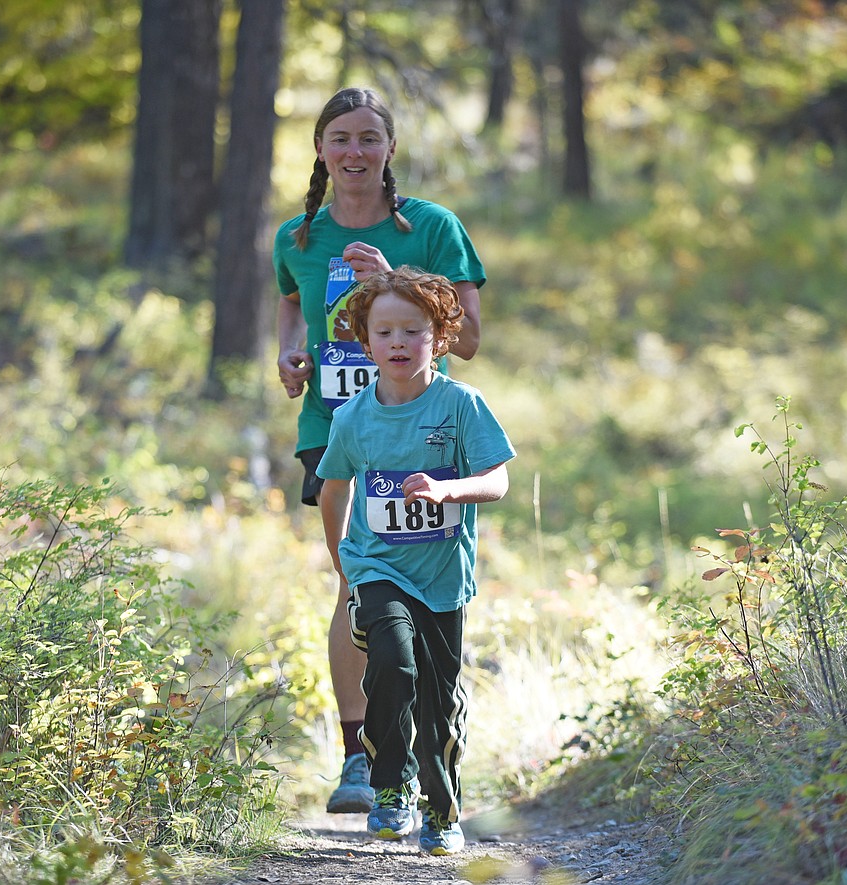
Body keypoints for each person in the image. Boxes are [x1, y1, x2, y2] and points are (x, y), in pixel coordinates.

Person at [272, 86, 486, 814]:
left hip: (425, 429)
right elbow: (294, 306)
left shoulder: (431, 227)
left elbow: (474, 338)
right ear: (321, 150)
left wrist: (393, 285)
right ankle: (359, 758)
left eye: (369, 138)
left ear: (389, 148)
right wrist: (290, 353)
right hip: (338, 428)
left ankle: (432, 740)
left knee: (426, 587)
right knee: (354, 585)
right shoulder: (296, 237)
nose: (355, 152)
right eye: (341, 139)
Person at [316, 267, 514, 854]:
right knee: (394, 666)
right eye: (385, 332)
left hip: (442, 578)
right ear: (365, 340)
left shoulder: (461, 406)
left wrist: (449, 491)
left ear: (441, 336)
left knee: (439, 697)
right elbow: (333, 488)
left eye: (414, 330)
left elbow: (497, 480)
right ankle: (391, 789)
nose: (398, 342)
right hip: (377, 568)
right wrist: (342, 562)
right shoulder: (354, 416)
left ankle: (441, 810)